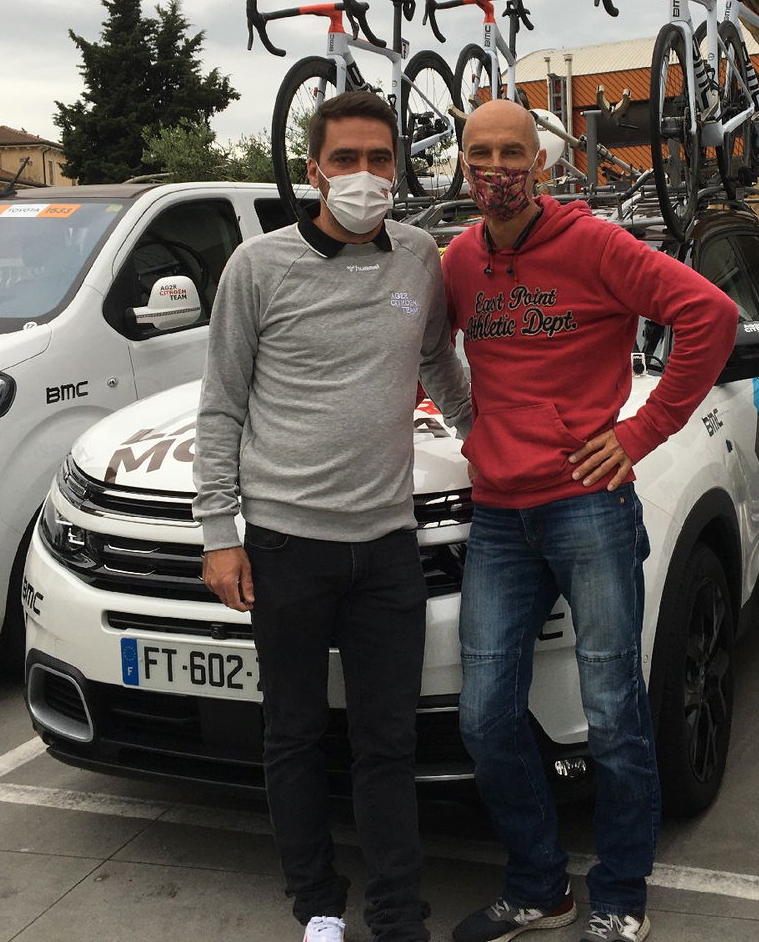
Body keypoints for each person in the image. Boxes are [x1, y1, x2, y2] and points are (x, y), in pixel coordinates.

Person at [443, 99, 737, 942]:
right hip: (499, 516)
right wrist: (459, 423)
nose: (495, 170)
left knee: (613, 711)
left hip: (587, 505)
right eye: (478, 154)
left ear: (540, 163)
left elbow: (710, 317)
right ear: (461, 163)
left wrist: (640, 433)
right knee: (484, 716)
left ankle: (620, 895)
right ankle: (540, 887)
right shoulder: (459, 260)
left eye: (511, 153)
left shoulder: (596, 245)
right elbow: (425, 346)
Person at [193, 90, 473, 942]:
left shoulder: (418, 255)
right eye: (345, 159)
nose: (363, 175)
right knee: (294, 736)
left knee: (387, 745)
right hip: (286, 547)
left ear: (399, 167)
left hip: (388, 546)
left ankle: (398, 915)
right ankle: (317, 906)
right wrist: (219, 535)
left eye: (379, 159)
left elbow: (438, 360)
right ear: (313, 170)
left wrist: (489, 441)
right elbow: (221, 405)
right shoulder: (257, 267)